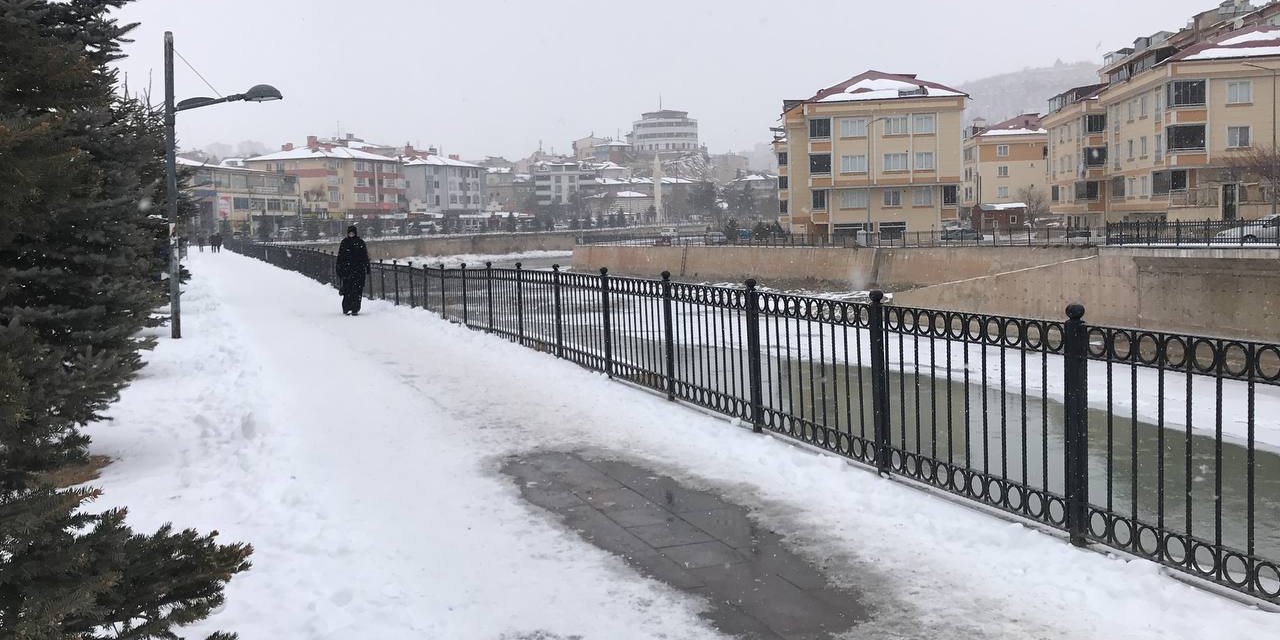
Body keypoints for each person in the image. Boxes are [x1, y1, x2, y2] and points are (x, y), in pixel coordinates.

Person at [335, 225, 370, 316]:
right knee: (348, 290)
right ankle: (346, 308)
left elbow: (365, 256)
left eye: (352, 232)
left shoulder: (360, 242)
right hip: (348, 271)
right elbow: (340, 257)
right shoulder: (344, 243)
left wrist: (367, 267)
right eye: (350, 233)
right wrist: (339, 268)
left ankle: (355, 308)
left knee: (357, 291)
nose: (351, 234)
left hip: (358, 271)